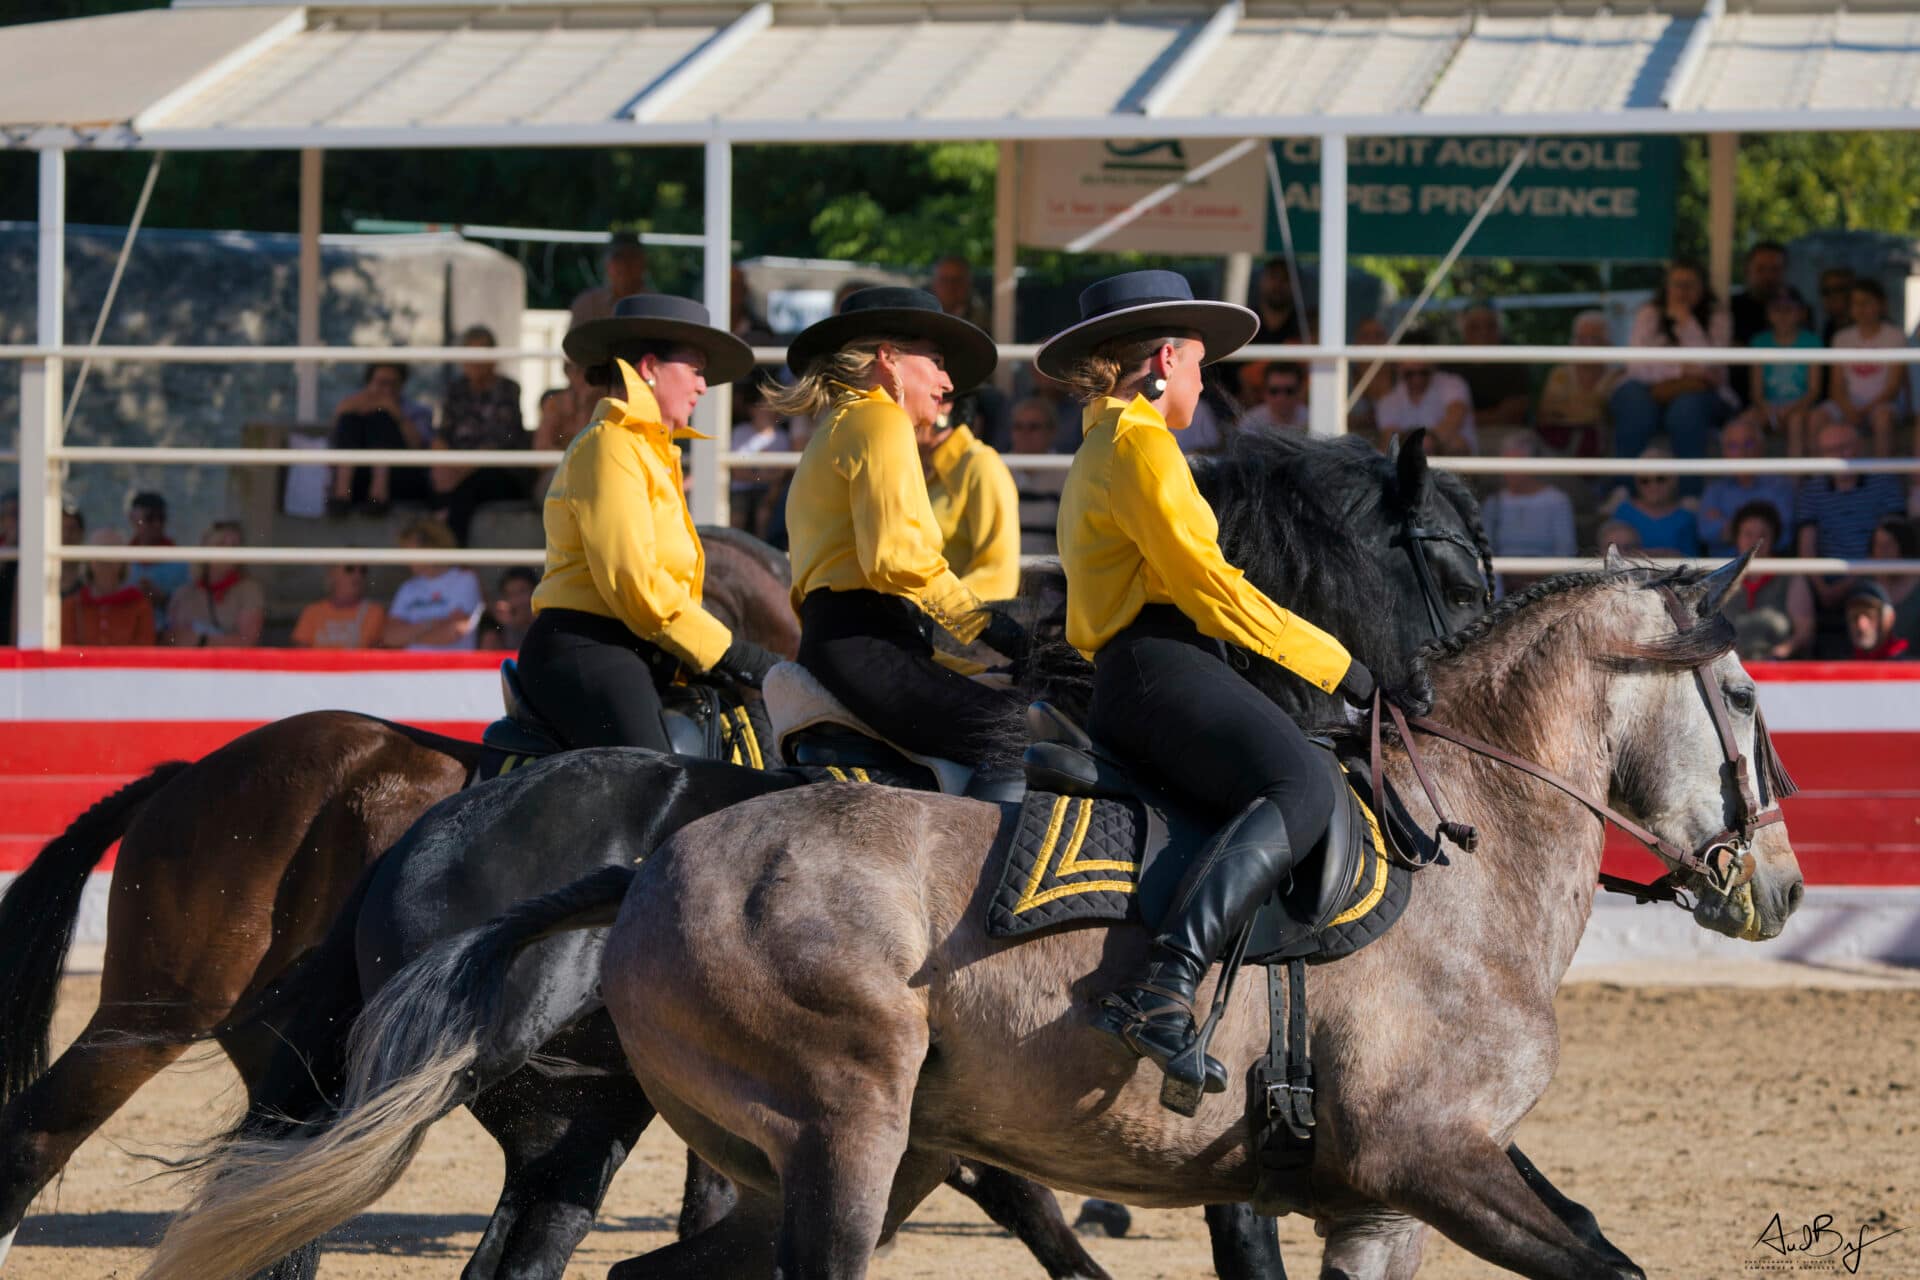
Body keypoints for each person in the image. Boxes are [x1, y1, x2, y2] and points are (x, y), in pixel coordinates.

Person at [1036, 269, 1374, 1108]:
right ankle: (1165, 986)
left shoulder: (1103, 441)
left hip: (1143, 667)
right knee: (1299, 782)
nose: (1202, 382)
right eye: (1196, 363)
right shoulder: (1142, 443)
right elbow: (1209, 585)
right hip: (1159, 664)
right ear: (1160, 359)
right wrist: (1337, 665)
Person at [774, 285, 1025, 767]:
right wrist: (990, 625)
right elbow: (896, 557)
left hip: (859, 639)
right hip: (865, 643)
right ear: (888, 358)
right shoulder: (880, 419)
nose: (948, 382)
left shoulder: (841, 422)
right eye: (936, 361)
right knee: (1023, 737)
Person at [520, 294, 777, 749]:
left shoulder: (647, 451)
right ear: (650, 367)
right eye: (696, 369)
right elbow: (636, 585)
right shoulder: (611, 445)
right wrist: (734, 654)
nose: (703, 386)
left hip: (637, 650)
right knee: (659, 786)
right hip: (589, 647)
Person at [1609, 261, 1734, 490]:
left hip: (1700, 396)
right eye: (1677, 284)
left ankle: (1690, 493)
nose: (1683, 291)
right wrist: (1682, 370)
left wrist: (1686, 322)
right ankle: (1623, 490)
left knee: (1686, 409)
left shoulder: (1718, 316)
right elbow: (1636, 366)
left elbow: (1711, 363)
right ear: (1666, 287)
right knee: (1633, 402)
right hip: (1649, 392)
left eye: (1690, 285)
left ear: (1703, 288)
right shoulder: (1649, 313)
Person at [429, 325, 528, 546]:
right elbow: (441, 434)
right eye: (468, 354)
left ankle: (453, 555)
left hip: (497, 472)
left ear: (493, 358)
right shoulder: (455, 390)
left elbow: (500, 441)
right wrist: (443, 465)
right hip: (456, 470)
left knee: (467, 491)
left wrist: (458, 471)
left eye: (479, 354)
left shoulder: (508, 389)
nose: (472, 362)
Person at [1796, 419, 1909, 611]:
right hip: (1823, 584)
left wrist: (1848, 584)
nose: (1837, 456)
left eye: (1843, 447)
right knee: (1795, 584)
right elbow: (1806, 547)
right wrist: (1822, 588)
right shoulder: (1812, 490)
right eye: (1829, 450)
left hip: (1874, 577)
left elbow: (1891, 544)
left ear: (1860, 446)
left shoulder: (1885, 482)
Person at [923, 391, 1022, 601]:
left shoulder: (981, 465)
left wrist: (924, 609)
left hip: (947, 628)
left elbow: (997, 575)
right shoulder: (909, 464)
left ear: (943, 405)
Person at [327, 361, 432, 515]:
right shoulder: (353, 406)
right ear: (369, 383)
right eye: (382, 383)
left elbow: (420, 448)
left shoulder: (418, 411)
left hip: (400, 478)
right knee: (350, 418)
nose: (387, 389)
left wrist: (395, 414)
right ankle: (342, 495)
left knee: (381, 418)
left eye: (394, 383)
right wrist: (341, 414)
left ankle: (378, 496)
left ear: (402, 385)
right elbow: (331, 445)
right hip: (358, 479)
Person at [1817, 278, 1907, 457]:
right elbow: (1836, 385)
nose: (1861, 308)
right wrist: (1848, 409)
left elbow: (1894, 387)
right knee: (1816, 418)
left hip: (1883, 404)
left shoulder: (1895, 336)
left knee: (1883, 419)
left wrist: (1864, 410)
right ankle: (1820, 479)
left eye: (1867, 302)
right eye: (1855, 303)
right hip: (1849, 403)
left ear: (1881, 304)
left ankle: (1883, 479)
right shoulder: (1841, 337)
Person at [1481, 432, 1576, 593]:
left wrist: (1535, 575)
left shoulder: (1557, 500)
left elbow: (1565, 550)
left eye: (1517, 465)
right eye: (1506, 464)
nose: (1510, 471)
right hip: (1502, 579)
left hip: (1545, 578)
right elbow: (1485, 549)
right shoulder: (1493, 502)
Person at [1721, 502, 1813, 661]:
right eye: (1748, 534)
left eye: (1763, 535)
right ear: (1737, 538)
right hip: (1730, 671)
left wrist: (1782, 652)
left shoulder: (1791, 576)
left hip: (1778, 670)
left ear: (1774, 539)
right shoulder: (1721, 579)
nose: (1755, 541)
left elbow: (1804, 632)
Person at [1697, 411, 1795, 556]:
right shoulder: (1714, 490)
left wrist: (1728, 526)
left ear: (1762, 447)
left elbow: (1784, 537)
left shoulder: (1781, 486)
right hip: (1724, 572)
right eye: (1733, 446)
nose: (1742, 452)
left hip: (1767, 572)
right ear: (1724, 453)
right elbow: (1705, 532)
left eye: (1748, 443)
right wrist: (1760, 531)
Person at [382, 518, 484, 652]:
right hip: (413, 669)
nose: (405, 558)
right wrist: (432, 623)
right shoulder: (408, 587)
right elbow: (390, 637)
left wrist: (408, 634)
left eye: (410, 549)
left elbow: (454, 632)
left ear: (432, 547)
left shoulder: (465, 579)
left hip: (454, 669)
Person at [165, 520, 266, 648]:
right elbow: (169, 638)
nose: (229, 550)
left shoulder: (250, 590)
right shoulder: (184, 592)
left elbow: (247, 642)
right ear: (205, 548)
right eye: (221, 544)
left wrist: (201, 641)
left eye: (235, 545)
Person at [1748, 286, 1823, 455]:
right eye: (1776, 309)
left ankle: (1794, 479)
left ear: (1801, 313)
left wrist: (1789, 409)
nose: (1782, 315)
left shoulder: (1811, 341)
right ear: (1768, 313)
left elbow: (1814, 390)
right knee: (1745, 424)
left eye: (1789, 309)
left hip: (1801, 405)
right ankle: (1749, 478)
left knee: (1795, 422)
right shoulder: (1759, 341)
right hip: (1768, 406)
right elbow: (1756, 391)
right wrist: (1769, 409)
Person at [1536, 310, 1621, 457]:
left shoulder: (1617, 375)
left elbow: (1609, 415)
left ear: (1607, 343)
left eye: (1594, 339)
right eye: (1581, 339)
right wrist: (1591, 410)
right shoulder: (1560, 374)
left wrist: (1573, 411)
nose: (1586, 345)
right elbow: (1547, 413)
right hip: (1561, 445)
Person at [1376, 335, 1477, 455]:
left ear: (1433, 365)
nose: (1417, 379)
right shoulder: (1388, 400)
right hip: (1409, 465)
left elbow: (1453, 420)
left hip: (1447, 463)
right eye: (1409, 374)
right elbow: (1390, 438)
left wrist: (1424, 443)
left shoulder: (1454, 385)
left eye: (1423, 373)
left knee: (1456, 443)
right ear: (1398, 368)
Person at [62, 529, 156, 646]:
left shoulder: (139, 606)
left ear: (123, 562)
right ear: (88, 561)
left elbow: (143, 653)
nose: (105, 560)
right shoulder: (71, 607)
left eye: (112, 553)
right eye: (99, 553)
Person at [1608, 444, 1699, 557]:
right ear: (1636, 482)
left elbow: (1692, 560)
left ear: (1674, 479)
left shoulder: (1685, 517)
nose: (1653, 486)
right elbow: (1614, 556)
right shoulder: (1623, 512)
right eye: (1645, 480)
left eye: (1660, 478)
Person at [1449, 303, 1531, 427]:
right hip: (1458, 435)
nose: (1483, 333)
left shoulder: (1514, 362)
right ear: (1463, 331)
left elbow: (1515, 412)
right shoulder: (1448, 362)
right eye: (1474, 327)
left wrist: (1465, 418)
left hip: (1506, 435)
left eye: (1490, 326)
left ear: (1499, 330)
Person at [1008, 397, 1067, 557]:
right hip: (1007, 570)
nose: (1025, 433)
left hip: (1050, 572)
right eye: (1018, 426)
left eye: (1033, 427)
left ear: (1051, 431)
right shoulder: (998, 469)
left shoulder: (1066, 472)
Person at [125, 491, 191, 632]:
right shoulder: (121, 559)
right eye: (149, 518)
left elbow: (191, 609)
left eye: (161, 518)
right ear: (133, 518)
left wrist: (163, 599)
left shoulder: (180, 562)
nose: (157, 524)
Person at [291, 564, 386, 649]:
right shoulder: (312, 611)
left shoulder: (375, 612)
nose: (357, 575)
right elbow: (300, 653)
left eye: (363, 570)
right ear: (332, 573)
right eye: (350, 568)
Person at [569, 231, 650, 328]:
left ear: (643, 263)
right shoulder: (585, 305)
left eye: (632, 257)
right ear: (607, 264)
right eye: (618, 257)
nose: (625, 264)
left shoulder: (658, 306)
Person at [1869, 516, 1920, 649]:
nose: (1881, 552)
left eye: (1888, 546)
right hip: (1872, 665)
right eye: (1877, 545)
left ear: (1904, 547)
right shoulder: (1866, 586)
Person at [1730, 241, 1789, 349]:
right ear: (1747, 271)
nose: (1768, 276)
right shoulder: (1731, 307)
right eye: (1760, 269)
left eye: (1775, 269)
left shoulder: (1795, 307)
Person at [1843, 580, 1912, 660]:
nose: (1861, 625)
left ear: (1889, 618)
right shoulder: (1839, 662)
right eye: (1854, 617)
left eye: (1870, 616)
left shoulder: (1908, 662)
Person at [1235, 363, 1308, 436]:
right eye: (1274, 391)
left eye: (1289, 391)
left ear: (1299, 392)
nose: (1281, 398)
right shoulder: (1251, 422)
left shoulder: (1311, 418)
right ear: (1264, 392)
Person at [480, 565, 538, 651]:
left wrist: (517, 623)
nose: (517, 600)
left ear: (536, 591)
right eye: (511, 594)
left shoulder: (547, 617)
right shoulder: (498, 623)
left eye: (522, 591)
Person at [929, 255, 990, 330]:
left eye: (957, 280)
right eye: (944, 280)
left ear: (969, 283)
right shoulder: (922, 316)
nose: (950, 286)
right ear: (933, 284)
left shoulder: (986, 317)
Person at [1817, 266, 1855, 345]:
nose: (1832, 296)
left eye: (1838, 290)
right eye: (1826, 291)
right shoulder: (1828, 328)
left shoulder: (1865, 325)